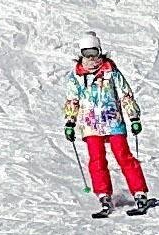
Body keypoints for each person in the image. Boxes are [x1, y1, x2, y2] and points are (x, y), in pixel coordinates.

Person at [64, 43, 151, 214]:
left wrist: (133, 117)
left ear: (99, 51)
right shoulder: (76, 76)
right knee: (96, 160)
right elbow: (72, 100)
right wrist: (70, 122)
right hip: (91, 125)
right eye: (86, 54)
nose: (91, 58)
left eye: (94, 53)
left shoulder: (111, 72)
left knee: (123, 156)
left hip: (113, 121)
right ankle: (104, 194)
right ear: (81, 54)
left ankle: (139, 192)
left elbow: (125, 94)